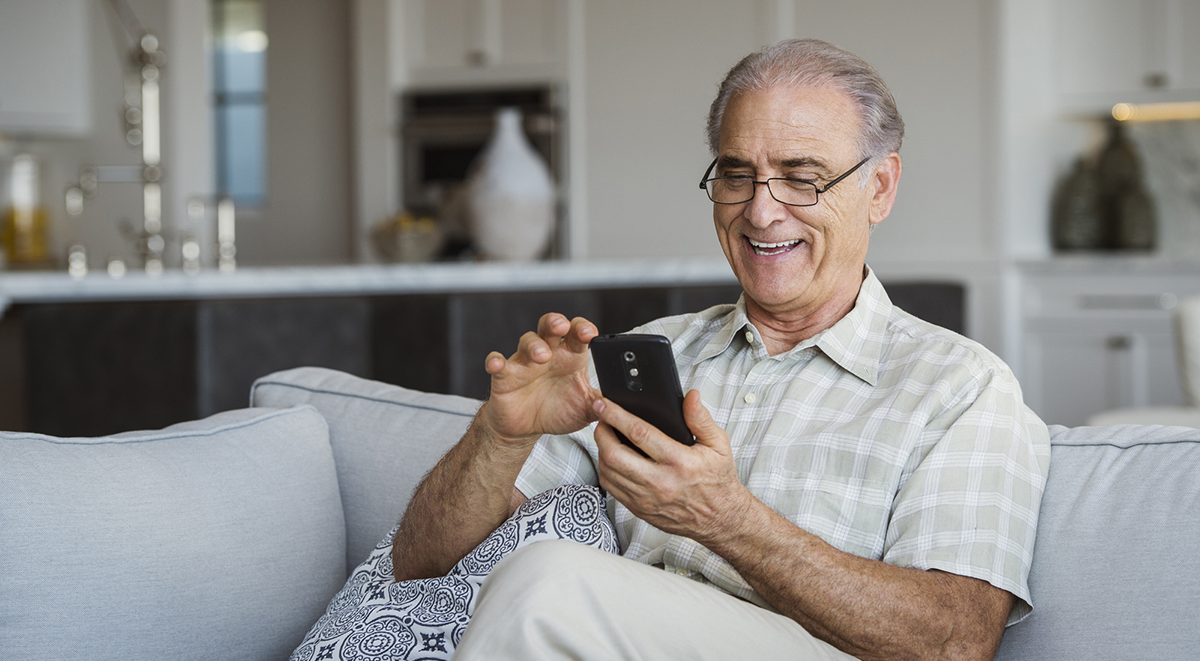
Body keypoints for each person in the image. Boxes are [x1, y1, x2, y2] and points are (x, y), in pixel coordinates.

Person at [391, 39, 1050, 661]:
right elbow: (423, 567)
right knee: (541, 581)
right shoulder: (650, 356)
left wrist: (726, 519)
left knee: (551, 581)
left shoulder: (961, 386)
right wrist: (499, 436)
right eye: (737, 175)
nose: (761, 213)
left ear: (879, 188)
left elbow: (956, 642)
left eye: (801, 178)